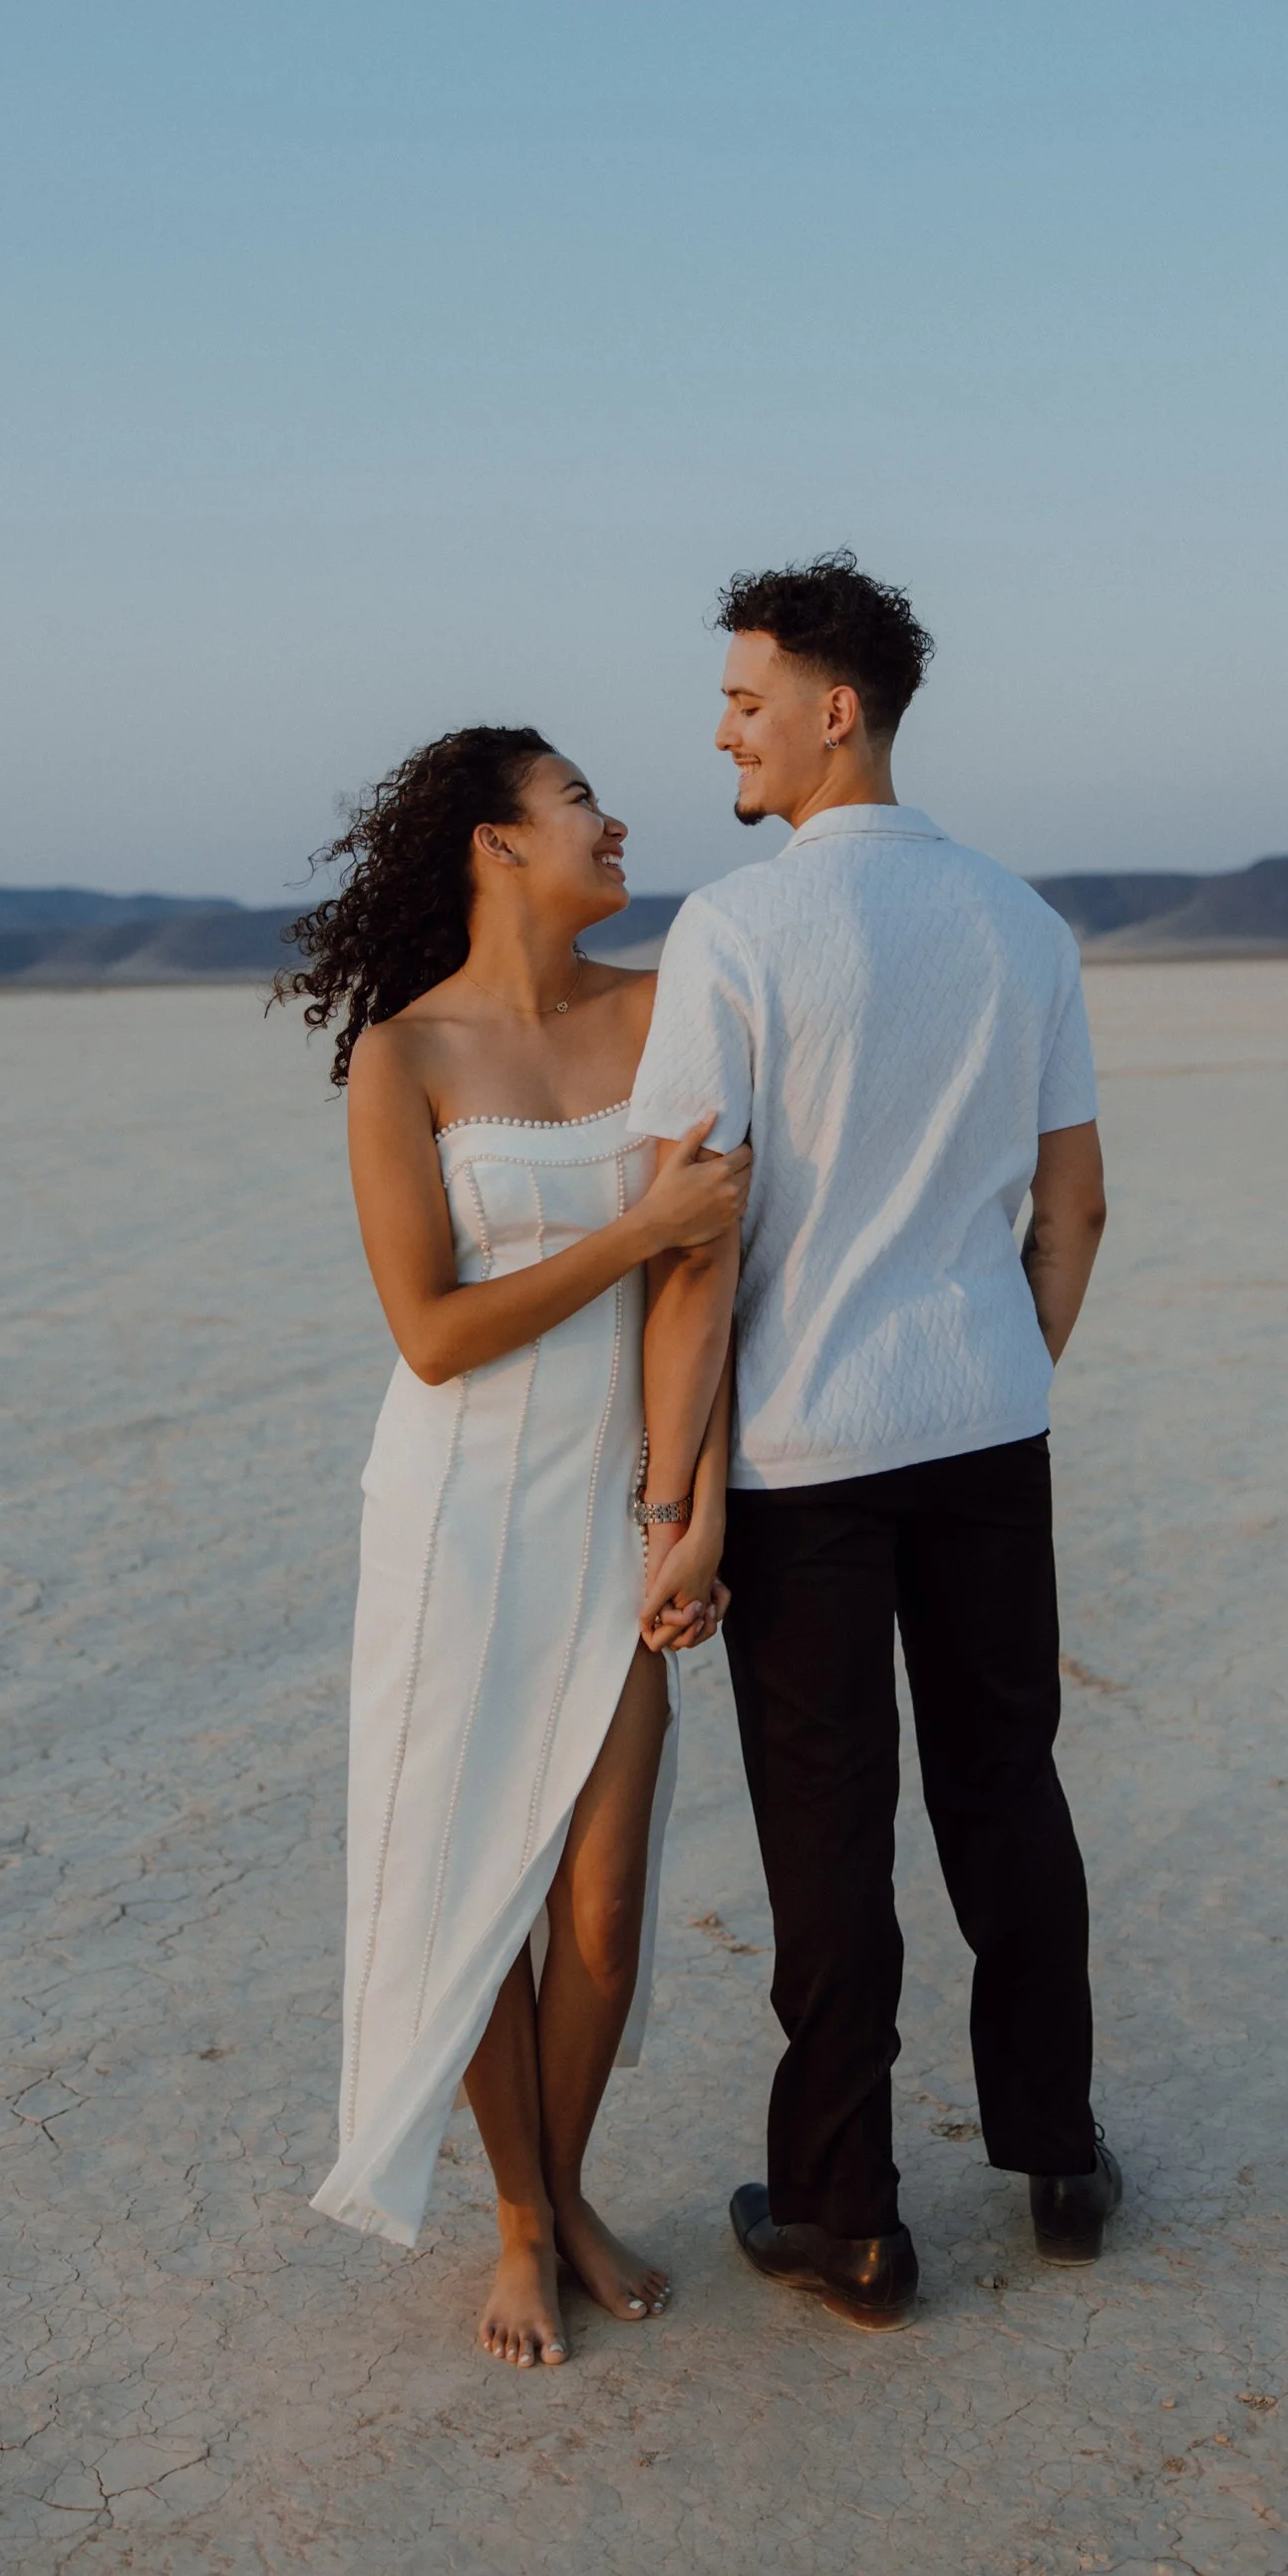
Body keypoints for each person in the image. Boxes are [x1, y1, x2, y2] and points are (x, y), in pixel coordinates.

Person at [630, 556, 1118, 2330]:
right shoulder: (1022, 922)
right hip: (986, 1425)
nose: (722, 729)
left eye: (746, 697)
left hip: (805, 1455)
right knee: (1009, 1785)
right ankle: (1058, 2155)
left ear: (838, 709)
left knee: (828, 1830)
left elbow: (695, 1236)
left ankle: (846, 2214)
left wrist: (671, 1498)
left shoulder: (739, 931)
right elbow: (1078, 1207)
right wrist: (996, 1357)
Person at [291, 728, 745, 2367]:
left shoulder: (657, 1010)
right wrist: (630, 1229)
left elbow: (710, 1274)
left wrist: (688, 1503)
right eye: (577, 803)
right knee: (478, 1881)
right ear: (495, 843)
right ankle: (522, 2219)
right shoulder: (402, 1059)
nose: (613, 822)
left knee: (607, 1905)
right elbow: (429, 1331)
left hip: (613, 1505)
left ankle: (567, 2184)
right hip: (455, 1516)